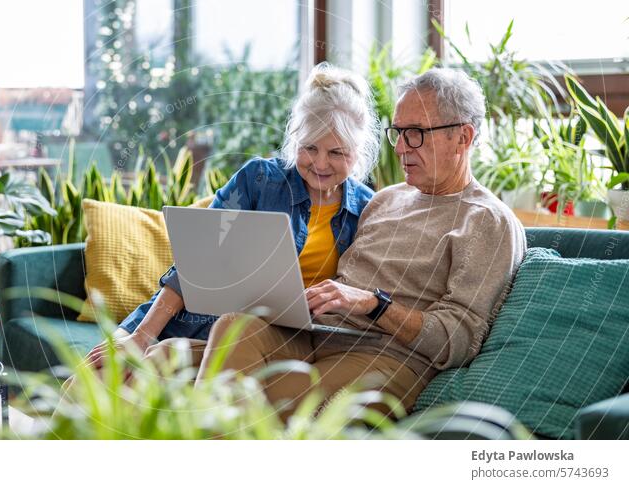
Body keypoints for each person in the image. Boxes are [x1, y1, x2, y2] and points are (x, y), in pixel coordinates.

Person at [195, 68, 527, 418]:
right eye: (398, 132)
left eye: (415, 134)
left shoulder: (487, 220)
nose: (400, 148)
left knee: (271, 400)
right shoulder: (384, 200)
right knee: (235, 326)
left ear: (463, 137)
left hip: (387, 355)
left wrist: (374, 304)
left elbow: (459, 340)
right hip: (315, 334)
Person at [76, 62, 381, 375]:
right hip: (192, 317)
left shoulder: (368, 210)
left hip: (267, 340)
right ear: (295, 140)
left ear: (358, 152)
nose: (319, 163)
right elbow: (195, 262)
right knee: (91, 379)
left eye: (336, 153)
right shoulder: (259, 179)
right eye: (310, 147)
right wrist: (142, 335)